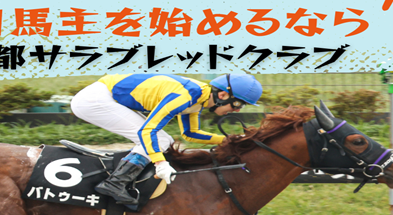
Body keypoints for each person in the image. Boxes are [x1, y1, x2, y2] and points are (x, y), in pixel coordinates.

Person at [70, 73, 263, 205]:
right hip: (95, 100)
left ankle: (121, 177)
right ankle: (114, 183)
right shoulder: (186, 95)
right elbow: (148, 131)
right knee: (160, 140)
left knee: (165, 141)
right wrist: (160, 163)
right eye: (238, 105)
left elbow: (190, 133)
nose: (237, 110)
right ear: (223, 95)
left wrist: (231, 140)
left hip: (104, 96)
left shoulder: (199, 98)